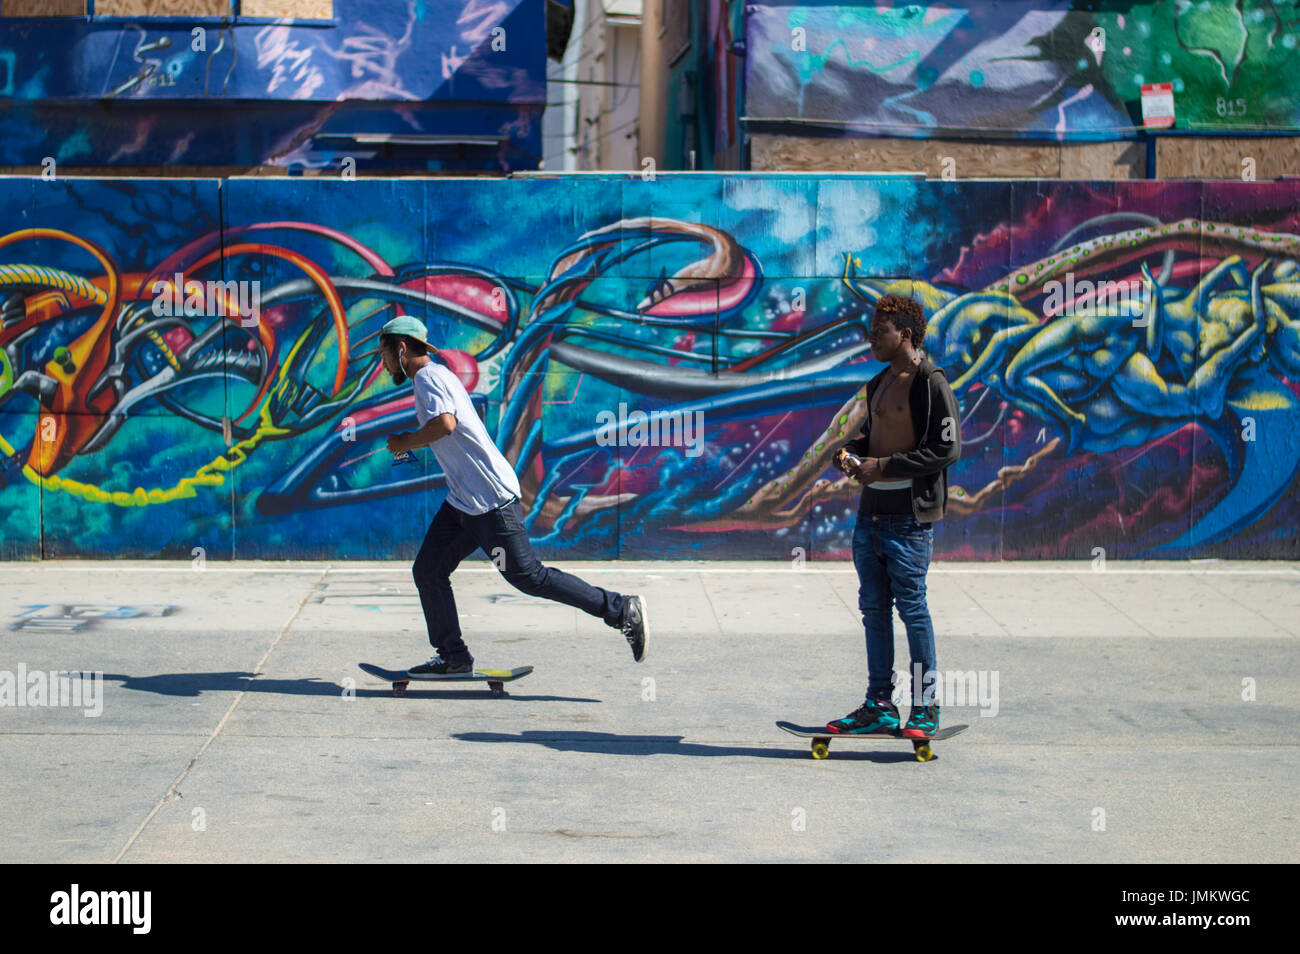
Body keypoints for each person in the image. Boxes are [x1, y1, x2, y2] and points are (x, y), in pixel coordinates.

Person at [378, 316, 648, 673]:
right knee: (428, 570)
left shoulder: (428, 377)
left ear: (400, 348)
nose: (381, 364)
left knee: (528, 577)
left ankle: (619, 608)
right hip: (464, 502)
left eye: (382, 353)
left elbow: (445, 424)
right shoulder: (434, 377)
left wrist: (402, 442)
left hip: (490, 501)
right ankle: (453, 657)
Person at [827, 294, 960, 739]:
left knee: (913, 611)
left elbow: (946, 449)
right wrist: (851, 453)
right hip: (872, 516)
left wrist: (880, 467)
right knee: (873, 609)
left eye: (879, 331)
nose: (871, 338)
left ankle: (925, 708)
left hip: (909, 519)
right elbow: (875, 438)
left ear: (904, 334)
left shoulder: (931, 382)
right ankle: (879, 706)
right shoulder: (879, 382)